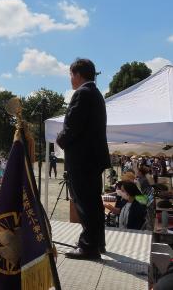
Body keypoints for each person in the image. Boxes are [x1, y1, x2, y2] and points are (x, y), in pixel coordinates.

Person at [56, 58, 110, 260]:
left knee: (85, 203)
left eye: (71, 74)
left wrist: (59, 140)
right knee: (94, 203)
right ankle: (97, 242)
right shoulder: (95, 94)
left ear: (78, 74)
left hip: (83, 159)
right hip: (93, 158)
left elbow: (72, 127)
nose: (70, 79)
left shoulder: (82, 94)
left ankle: (88, 246)